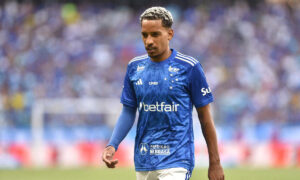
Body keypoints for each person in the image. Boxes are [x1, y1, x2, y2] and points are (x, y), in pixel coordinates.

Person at [102, 7, 224, 180]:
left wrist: (215, 163)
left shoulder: (189, 67)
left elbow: (205, 118)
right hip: (144, 159)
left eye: (155, 34)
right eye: (144, 35)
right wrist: (112, 145)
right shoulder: (134, 67)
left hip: (177, 159)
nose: (149, 41)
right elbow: (128, 111)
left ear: (170, 34)